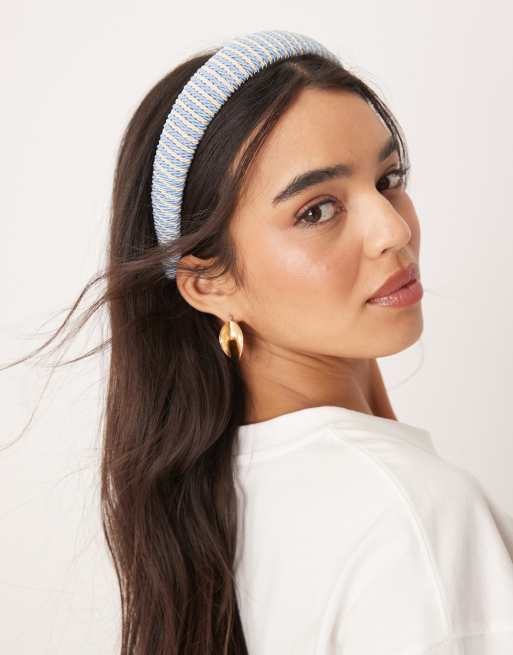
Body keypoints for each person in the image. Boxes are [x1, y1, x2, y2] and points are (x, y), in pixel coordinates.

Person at [4, 29, 513, 654]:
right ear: (209, 283)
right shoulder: (414, 515)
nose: (393, 230)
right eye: (316, 210)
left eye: (388, 179)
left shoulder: (224, 503)